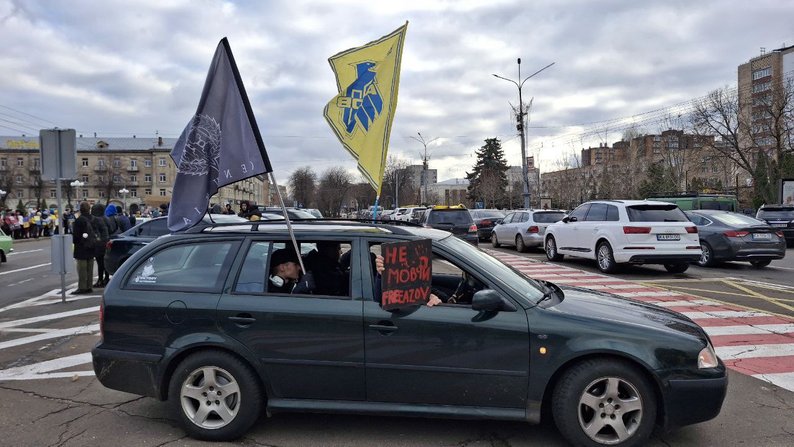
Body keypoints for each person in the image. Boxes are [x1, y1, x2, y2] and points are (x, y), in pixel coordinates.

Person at [71, 201, 96, 294]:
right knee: (90, 267)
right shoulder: (93, 218)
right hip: (92, 246)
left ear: (80, 209)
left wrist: (76, 241)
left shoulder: (79, 220)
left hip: (81, 247)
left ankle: (82, 287)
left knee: (82, 268)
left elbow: (76, 236)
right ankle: (89, 286)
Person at [90, 203, 110, 288]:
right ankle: (106, 278)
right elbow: (111, 228)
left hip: (99, 243)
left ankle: (100, 280)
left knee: (100, 263)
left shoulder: (95, 219)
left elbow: (93, 231)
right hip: (107, 241)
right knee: (105, 261)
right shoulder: (106, 218)